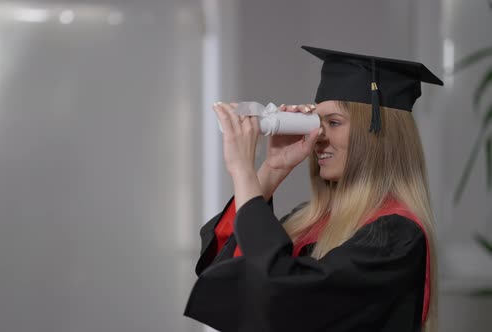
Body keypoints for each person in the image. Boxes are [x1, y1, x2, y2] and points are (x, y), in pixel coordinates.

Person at [184, 46, 443, 332]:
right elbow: (229, 282)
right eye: (317, 123)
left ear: (378, 135)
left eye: (334, 122)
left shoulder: (395, 235)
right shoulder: (309, 219)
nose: (318, 135)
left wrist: (242, 170)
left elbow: (281, 293)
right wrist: (272, 169)